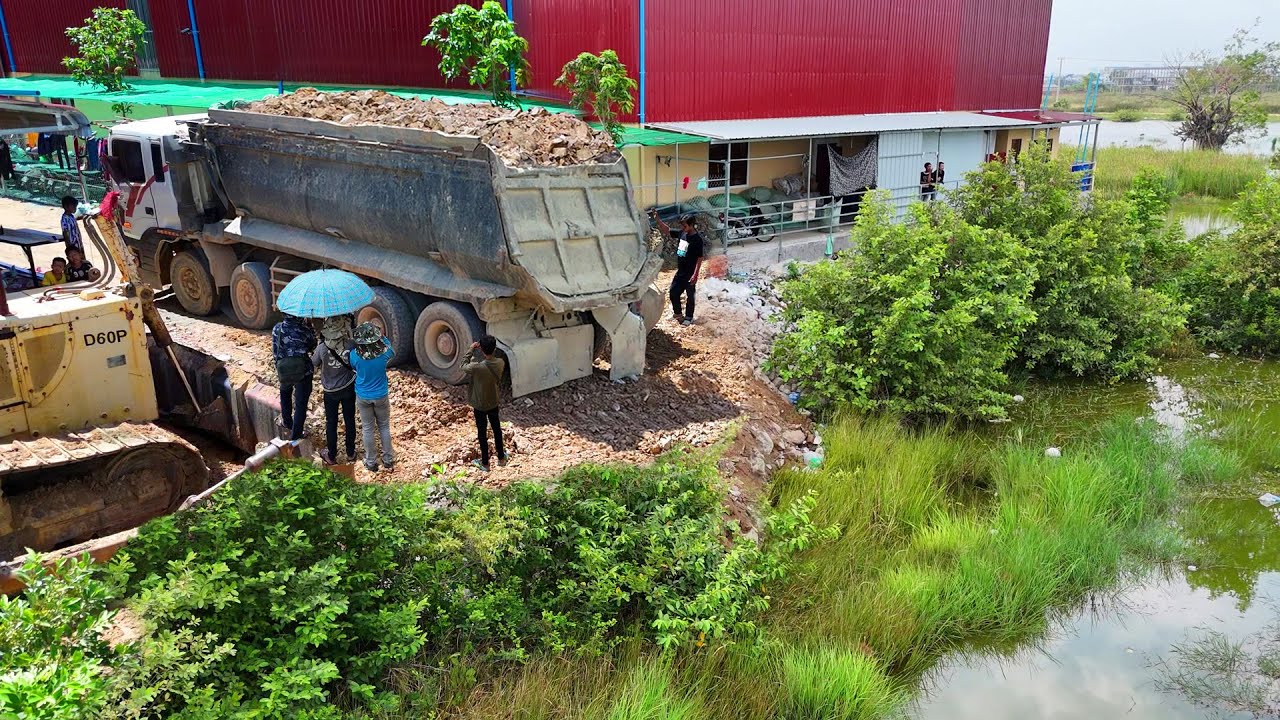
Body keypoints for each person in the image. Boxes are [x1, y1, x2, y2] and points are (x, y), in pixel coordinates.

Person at [349, 322, 396, 472]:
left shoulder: (354, 355)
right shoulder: (383, 353)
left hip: (363, 395)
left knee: (368, 429)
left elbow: (353, 366)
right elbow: (392, 352)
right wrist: (383, 338)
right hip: (381, 395)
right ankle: (388, 459)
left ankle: (371, 462)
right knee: (384, 426)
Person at [312, 315, 357, 465]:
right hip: (348, 387)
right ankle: (351, 453)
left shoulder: (322, 348)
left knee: (331, 422)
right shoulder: (350, 345)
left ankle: (331, 455)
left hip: (330, 392)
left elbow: (314, 364)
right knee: (349, 420)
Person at [652, 212, 704, 326]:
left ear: (692, 225)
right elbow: (668, 230)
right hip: (681, 271)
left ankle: (689, 317)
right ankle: (678, 314)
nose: (682, 228)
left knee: (690, 296)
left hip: (690, 272)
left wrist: (695, 274)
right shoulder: (682, 233)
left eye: (685, 226)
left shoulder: (697, 240)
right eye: (682, 226)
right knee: (673, 292)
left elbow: (700, 258)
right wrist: (657, 219)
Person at [463, 334, 506, 472]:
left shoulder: (477, 367)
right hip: (493, 402)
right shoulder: (500, 362)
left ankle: (485, 463)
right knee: (497, 430)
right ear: (494, 349)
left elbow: (463, 365)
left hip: (480, 405)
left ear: (481, 349)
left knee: (482, 434)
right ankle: (501, 458)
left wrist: (470, 349)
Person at [271, 314, 317, 441]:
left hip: (285, 369)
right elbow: (313, 346)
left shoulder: (277, 328)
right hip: (303, 371)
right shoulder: (304, 330)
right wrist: (310, 326)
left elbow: (275, 350)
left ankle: (287, 421)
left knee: (285, 392)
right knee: (301, 403)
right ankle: (296, 434)